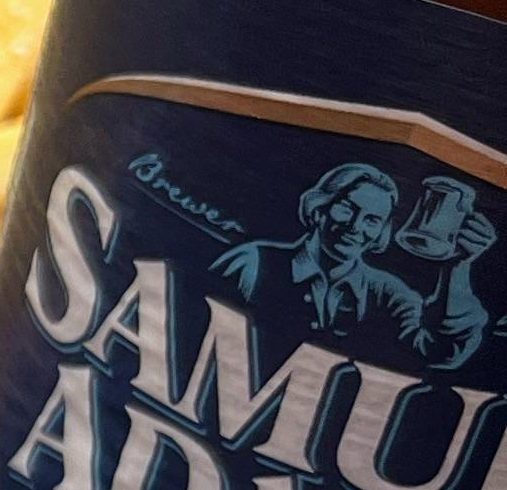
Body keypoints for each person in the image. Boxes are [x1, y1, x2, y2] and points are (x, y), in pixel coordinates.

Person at [210, 158, 494, 369]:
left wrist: (457, 268)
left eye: (372, 220)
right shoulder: (254, 263)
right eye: (347, 208)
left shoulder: (389, 293)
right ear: (320, 208)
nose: (356, 227)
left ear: (382, 230)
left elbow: (441, 353)